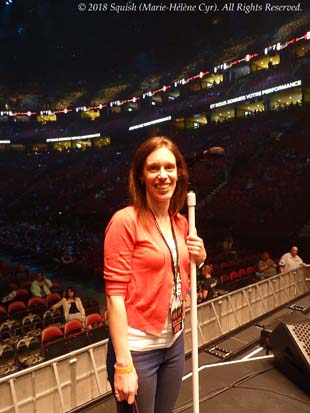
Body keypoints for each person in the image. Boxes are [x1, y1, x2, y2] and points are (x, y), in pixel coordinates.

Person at [104, 136, 206, 413]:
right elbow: (114, 299)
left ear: (179, 173)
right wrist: (123, 365)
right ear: (140, 176)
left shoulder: (182, 222)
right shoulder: (124, 221)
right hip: (138, 349)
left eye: (169, 168)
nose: (163, 175)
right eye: (154, 168)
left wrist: (199, 257)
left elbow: (174, 272)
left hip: (173, 343)